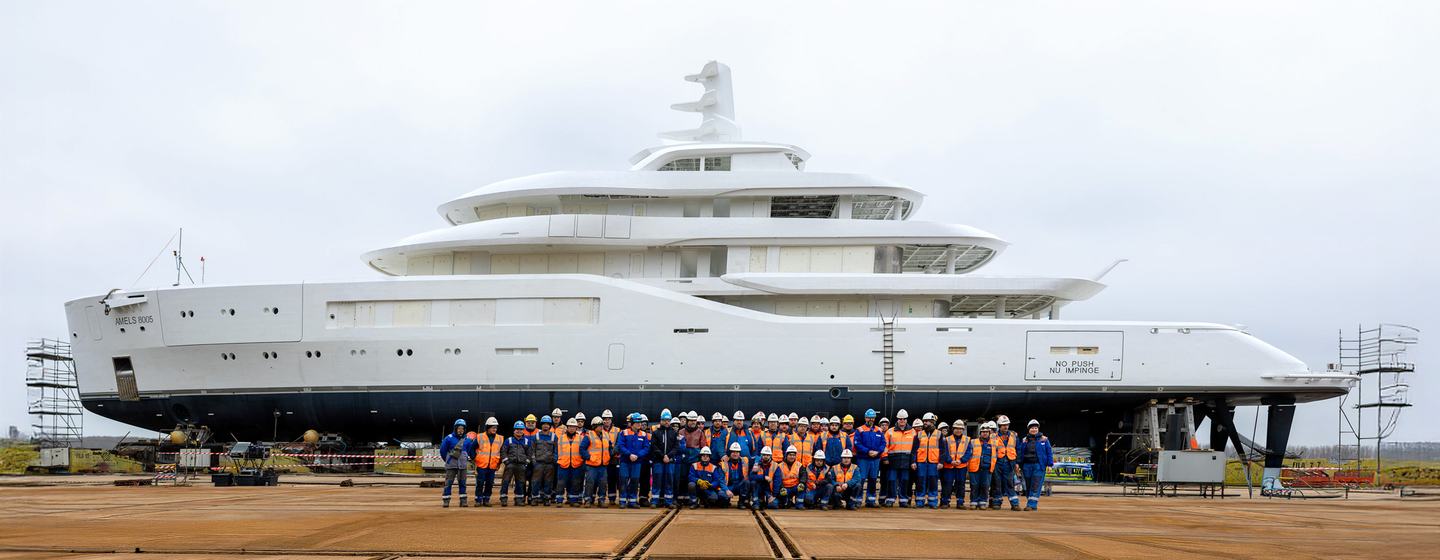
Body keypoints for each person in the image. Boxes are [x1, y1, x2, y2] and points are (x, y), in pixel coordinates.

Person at [960, 421, 999, 510]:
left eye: (986, 432)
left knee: (985, 486)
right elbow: (968, 454)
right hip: (974, 468)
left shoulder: (994, 443)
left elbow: (996, 455)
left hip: (987, 468)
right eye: (983, 432)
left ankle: (982, 502)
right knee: (974, 485)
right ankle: (973, 502)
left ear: (989, 433)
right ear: (980, 433)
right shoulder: (973, 442)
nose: (985, 433)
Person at [1017, 419, 1054, 511]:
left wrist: (1049, 464)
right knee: (1027, 486)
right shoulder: (1024, 440)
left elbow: (1049, 452)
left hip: (1039, 465)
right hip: (1026, 466)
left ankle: (1030, 504)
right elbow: (1020, 452)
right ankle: (1032, 504)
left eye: (1035, 428)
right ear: (1028, 429)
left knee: (1036, 485)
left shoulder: (1044, 439)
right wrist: (1018, 463)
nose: (1034, 429)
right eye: (1032, 428)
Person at [439, 418, 476, 508]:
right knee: (448, 483)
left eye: (462, 429)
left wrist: (474, 458)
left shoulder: (467, 440)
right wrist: (448, 461)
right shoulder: (448, 438)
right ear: (455, 428)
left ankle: (463, 501)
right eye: (459, 428)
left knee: (462, 483)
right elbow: (442, 451)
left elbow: (470, 451)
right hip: (451, 465)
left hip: (462, 466)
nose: (461, 430)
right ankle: (446, 501)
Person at [912, 412, 946, 508]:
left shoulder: (939, 435)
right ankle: (919, 502)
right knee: (920, 482)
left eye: (928, 421)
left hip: (933, 463)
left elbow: (943, 450)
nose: (925, 423)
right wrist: (913, 462)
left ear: (933, 422)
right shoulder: (918, 435)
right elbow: (914, 450)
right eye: (925, 421)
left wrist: (941, 462)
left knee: (933, 482)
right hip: (921, 462)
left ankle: (933, 502)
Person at [617, 413, 650, 509]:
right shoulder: (624, 433)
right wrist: (629, 454)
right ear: (631, 423)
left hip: (637, 462)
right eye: (636, 422)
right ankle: (622, 501)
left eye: (640, 422)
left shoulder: (643, 435)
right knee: (623, 480)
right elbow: (620, 446)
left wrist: (638, 455)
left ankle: (632, 501)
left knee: (635, 481)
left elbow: (646, 448)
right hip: (625, 461)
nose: (639, 424)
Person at [650, 411, 682, 508]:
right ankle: (655, 501)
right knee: (657, 481)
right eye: (664, 420)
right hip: (658, 461)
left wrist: (668, 456)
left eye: (668, 420)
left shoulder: (674, 433)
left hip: (670, 461)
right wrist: (662, 456)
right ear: (661, 421)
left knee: (669, 481)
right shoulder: (656, 433)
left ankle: (668, 501)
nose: (666, 422)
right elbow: (654, 446)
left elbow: (676, 447)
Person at [884, 410, 916, 507]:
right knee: (892, 480)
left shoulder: (913, 432)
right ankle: (890, 499)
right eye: (900, 419)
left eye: (904, 419)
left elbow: (915, 449)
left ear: (906, 420)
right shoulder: (890, 431)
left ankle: (903, 500)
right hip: (893, 460)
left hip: (906, 461)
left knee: (905, 480)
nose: (902, 420)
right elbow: (885, 446)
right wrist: (885, 457)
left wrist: (913, 461)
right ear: (897, 419)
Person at [853, 409, 884, 507]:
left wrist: (878, 452)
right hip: (863, 459)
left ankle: (871, 500)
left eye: (872, 418)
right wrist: (868, 451)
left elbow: (883, 443)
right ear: (865, 418)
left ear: (874, 418)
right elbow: (857, 443)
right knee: (861, 479)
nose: (870, 419)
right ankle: (858, 500)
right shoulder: (860, 430)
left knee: (873, 479)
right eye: (869, 417)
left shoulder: (879, 430)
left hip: (875, 459)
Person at [990, 415, 1021, 511]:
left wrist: (1017, 462)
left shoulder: (1014, 435)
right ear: (999, 425)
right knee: (997, 483)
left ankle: (1015, 504)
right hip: (997, 462)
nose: (1005, 426)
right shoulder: (993, 436)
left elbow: (1018, 449)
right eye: (1003, 425)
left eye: (1007, 424)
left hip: (1009, 462)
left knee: (1009, 483)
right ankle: (997, 502)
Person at [499, 421, 532, 506]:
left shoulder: (526, 441)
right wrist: (506, 462)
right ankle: (503, 498)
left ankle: (519, 499)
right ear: (514, 430)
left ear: (523, 430)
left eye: (521, 429)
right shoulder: (509, 440)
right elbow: (503, 451)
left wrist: (526, 463)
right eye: (517, 429)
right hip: (510, 464)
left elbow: (529, 453)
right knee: (506, 481)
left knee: (520, 483)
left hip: (521, 465)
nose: (519, 431)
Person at [581, 417, 612, 507]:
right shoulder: (589, 435)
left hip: (603, 465)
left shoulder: (606, 435)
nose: (601, 427)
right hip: (592, 465)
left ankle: (601, 500)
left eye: (601, 425)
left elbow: (609, 447)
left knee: (603, 483)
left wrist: (609, 455)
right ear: (594, 426)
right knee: (590, 482)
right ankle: (587, 500)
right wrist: (589, 457)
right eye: (599, 425)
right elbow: (582, 448)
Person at [680, 412, 710, 504]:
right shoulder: (681, 432)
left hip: (695, 459)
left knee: (693, 478)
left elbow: (703, 447)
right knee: (682, 477)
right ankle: (682, 497)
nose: (693, 422)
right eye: (691, 420)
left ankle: (693, 497)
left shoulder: (700, 433)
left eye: (694, 420)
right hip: (683, 459)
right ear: (687, 421)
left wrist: (700, 459)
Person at [473, 417, 503, 507]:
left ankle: (486, 499)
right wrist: (475, 458)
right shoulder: (480, 437)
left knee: (490, 483)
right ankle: (478, 499)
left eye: (495, 427)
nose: (494, 429)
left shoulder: (500, 438)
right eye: (493, 427)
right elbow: (471, 448)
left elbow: (501, 452)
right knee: (480, 483)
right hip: (482, 465)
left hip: (492, 466)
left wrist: (499, 462)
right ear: (488, 428)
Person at [939, 419, 969, 509]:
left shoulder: (967, 440)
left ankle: (960, 502)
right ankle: (945, 502)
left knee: (961, 484)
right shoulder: (947, 439)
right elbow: (945, 452)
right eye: (956, 428)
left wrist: (961, 460)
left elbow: (969, 452)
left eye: (960, 429)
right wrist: (950, 461)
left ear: (963, 430)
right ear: (953, 429)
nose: (958, 430)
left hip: (961, 466)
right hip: (949, 466)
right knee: (947, 484)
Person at [529, 415, 558, 506]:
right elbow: (532, 450)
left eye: (547, 424)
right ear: (541, 425)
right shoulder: (536, 436)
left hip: (550, 464)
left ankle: (547, 498)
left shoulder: (554, 437)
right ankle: (534, 498)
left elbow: (556, 450)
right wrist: (534, 461)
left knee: (548, 482)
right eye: (544, 424)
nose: (546, 426)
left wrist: (554, 460)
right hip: (538, 464)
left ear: (550, 426)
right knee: (535, 482)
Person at [556, 418, 586, 506]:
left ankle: (573, 500)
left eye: (573, 427)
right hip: (563, 464)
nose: (572, 428)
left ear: (576, 428)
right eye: (570, 427)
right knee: (561, 483)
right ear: (567, 427)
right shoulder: (561, 438)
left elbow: (583, 451)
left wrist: (582, 461)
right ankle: (559, 500)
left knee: (575, 482)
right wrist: (557, 460)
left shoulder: (581, 438)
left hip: (576, 464)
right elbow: (556, 451)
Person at [772, 445, 807, 510]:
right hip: (785, 488)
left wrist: (802, 483)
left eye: (793, 455)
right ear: (786, 455)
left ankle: (799, 504)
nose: (792, 457)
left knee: (802, 487)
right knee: (785, 504)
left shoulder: (799, 465)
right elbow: (778, 479)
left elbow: (804, 475)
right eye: (790, 455)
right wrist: (781, 487)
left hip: (796, 487)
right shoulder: (779, 466)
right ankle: (787, 502)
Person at [720, 442, 751, 508]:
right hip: (729, 486)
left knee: (746, 482)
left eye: (737, 452)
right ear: (730, 453)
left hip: (740, 485)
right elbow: (721, 480)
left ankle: (741, 502)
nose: (735, 454)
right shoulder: (724, 463)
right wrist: (726, 490)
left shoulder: (745, 461)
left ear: (739, 453)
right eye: (733, 452)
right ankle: (726, 501)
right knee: (721, 495)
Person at [600, 409, 620, 506]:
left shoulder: (617, 430)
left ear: (611, 420)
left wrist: (612, 452)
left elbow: (619, 444)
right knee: (605, 480)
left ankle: (614, 498)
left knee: (615, 479)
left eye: (608, 419)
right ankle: (606, 498)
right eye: (605, 419)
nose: (606, 421)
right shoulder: (600, 430)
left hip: (614, 459)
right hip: (603, 458)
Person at [749, 446, 776, 510]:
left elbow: (777, 481)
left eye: (767, 455)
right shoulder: (756, 465)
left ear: (770, 456)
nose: (766, 456)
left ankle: (765, 501)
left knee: (773, 504)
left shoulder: (775, 465)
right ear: (761, 455)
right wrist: (764, 477)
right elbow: (751, 477)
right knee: (753, 482)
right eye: (764, 455)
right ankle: (756, 503)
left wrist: (774, 495)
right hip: (758, 487)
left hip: (769, 489)